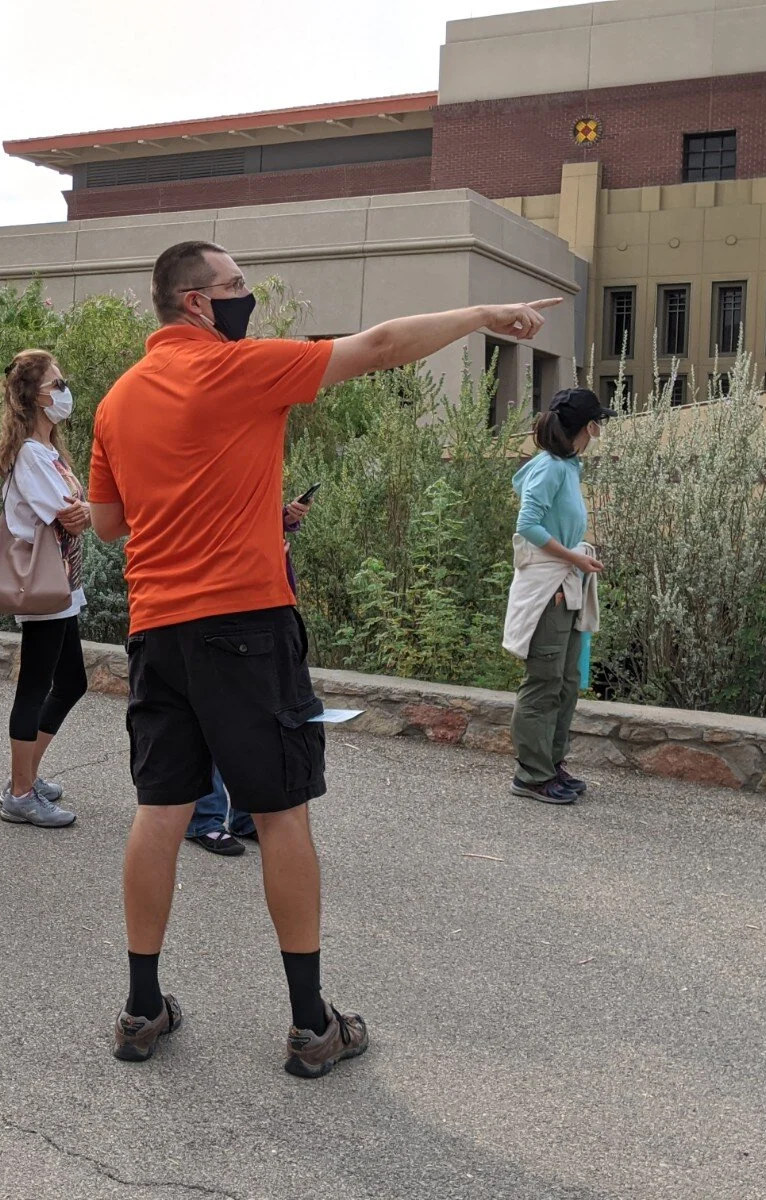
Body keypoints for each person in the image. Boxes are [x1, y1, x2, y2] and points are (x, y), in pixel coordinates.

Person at [89, 238, 558, 1077]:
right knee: (280, 814)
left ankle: (139, 1009)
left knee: (160, 808)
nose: (246, 297)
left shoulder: (119, 399)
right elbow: (379, 346)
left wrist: (230, 500)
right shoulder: (236, 369)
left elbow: (108, 525)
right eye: (236, 286)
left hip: (156, 629)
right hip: (245, 625)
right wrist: (486, 315)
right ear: (197, 302)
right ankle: (312, 1026)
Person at [188, 494, 313, 856]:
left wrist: (283, 519)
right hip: (219, 602)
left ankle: (246, 813)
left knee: (253, 718)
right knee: (213, 716)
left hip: (263, 603)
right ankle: (205, 819)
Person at [0, 349, 88, 829]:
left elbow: (76, 509)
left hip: (62, 582)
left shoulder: (49, 451)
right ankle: (20, 792)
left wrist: (82, 509)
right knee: (36, 684)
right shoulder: (31, 453)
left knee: (73, 681)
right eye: (57, 384)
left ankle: (25, 776)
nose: (64, 391)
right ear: (33, 395)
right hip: (43, 583)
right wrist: (85, 509)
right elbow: (66, 510)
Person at [502, 387, 608, 806]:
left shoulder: (566, 467)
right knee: (543, 682)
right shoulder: (550, 468)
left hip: (566, 584)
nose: (600, 430)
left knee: (565, 682)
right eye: (597, 423)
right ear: (584, 427)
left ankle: (550, 764)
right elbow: (527, 524)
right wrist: (574, 560)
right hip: (550, 589)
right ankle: (531, 774)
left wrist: (576, 564)